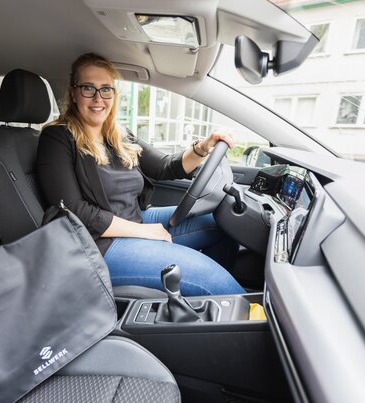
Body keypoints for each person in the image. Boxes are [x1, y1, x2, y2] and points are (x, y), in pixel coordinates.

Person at [37, 53, 245, 296]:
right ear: (73, 93)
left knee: (226, 223)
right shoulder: (58, 138)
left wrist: (203, 147)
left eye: (106, 89)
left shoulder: (118, 134)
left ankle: (202, 313)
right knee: (212, 279)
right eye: (88, 88)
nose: (98, 98)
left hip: (136, 221)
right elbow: (75, 210)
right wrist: (147, 232)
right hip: (98, 245)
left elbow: (164, 166)